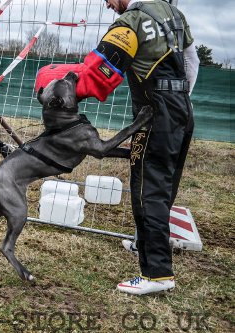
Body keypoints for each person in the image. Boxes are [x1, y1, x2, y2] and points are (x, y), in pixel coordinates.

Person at [35, 0, 199, 295]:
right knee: (164, 185)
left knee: (146, 188)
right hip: (182, 109)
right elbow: (191, 62)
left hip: (155, 113)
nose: (107, 4)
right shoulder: (172, 13)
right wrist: (178, 98)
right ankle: (144, 244)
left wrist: (52, 81)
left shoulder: (130, 22)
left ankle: (157, 274)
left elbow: (99, 76)